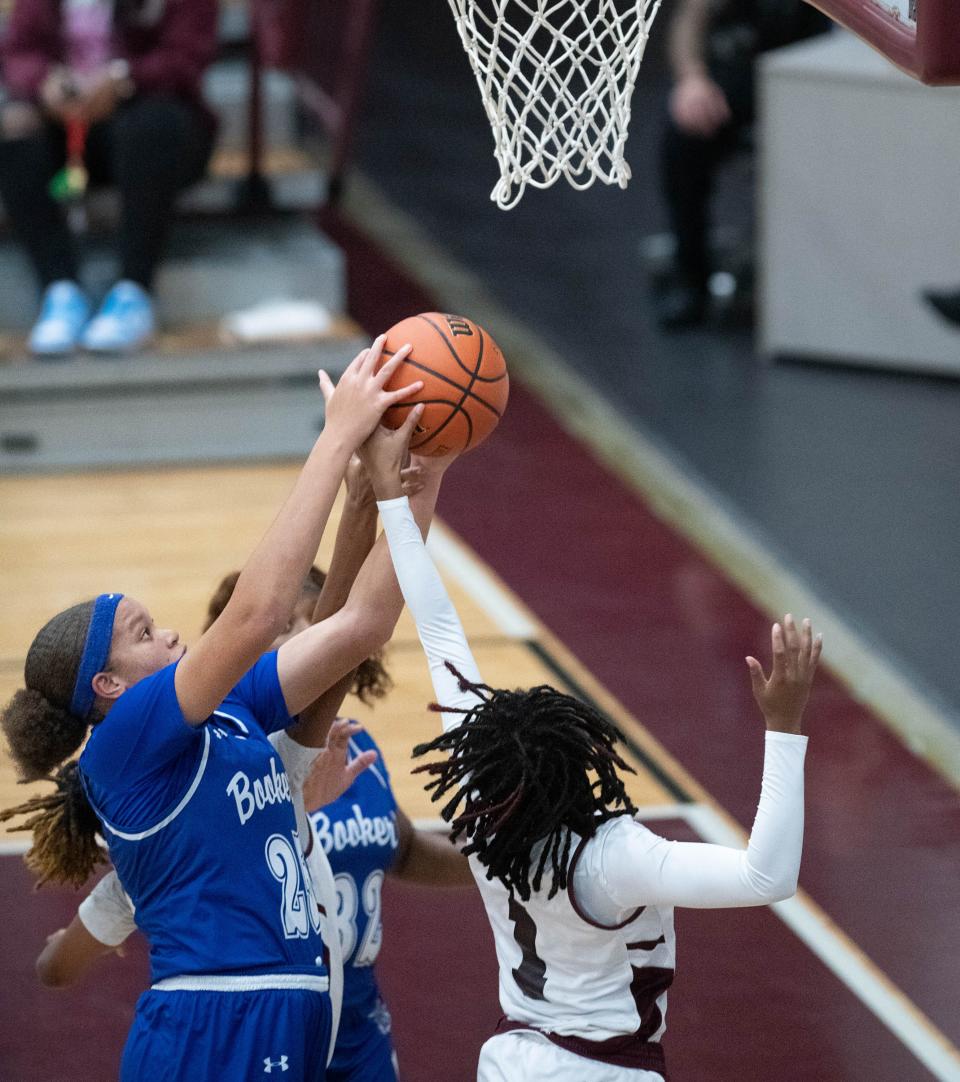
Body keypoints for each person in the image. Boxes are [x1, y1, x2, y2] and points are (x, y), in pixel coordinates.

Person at [0, 337, 447, 1081]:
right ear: (108, 688)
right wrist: (335, 436)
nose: (171, 631)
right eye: (145, 633)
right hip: (212, 1021)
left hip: (286, 1013)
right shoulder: (125, 744)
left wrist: (414, 484)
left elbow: (360, 627)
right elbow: (259, 613)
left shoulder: (234, 716)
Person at [365, 450, 821, 1080]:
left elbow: (439, 630)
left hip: (509, 1061)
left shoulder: (485, 810)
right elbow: (765, 878)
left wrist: (398, 500)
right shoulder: (614, 857)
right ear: (578, 763)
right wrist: (784, 727)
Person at [0, 0, 219, 355]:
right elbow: (18, 51)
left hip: (152, 123)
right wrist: (46, 84)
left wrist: (123, 79)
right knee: (13, 130)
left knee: (152, 126)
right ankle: (60, 289)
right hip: (68, 129)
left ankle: (134, 291)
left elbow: (187, 56)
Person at [654, 0, 829, 328]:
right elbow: (689, 19)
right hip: (732, 81)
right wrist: (692, 78)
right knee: (683, 138)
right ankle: (691, 279)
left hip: (810, 79)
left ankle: (812, 288)